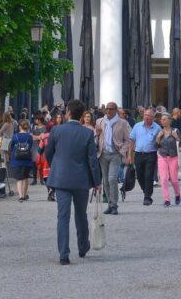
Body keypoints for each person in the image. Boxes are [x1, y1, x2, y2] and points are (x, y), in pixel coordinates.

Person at [44, 99, 101, 265]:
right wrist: (97, 181)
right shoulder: (87, 133)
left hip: (61, 178)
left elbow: (48, 152)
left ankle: (64, 253)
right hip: (81, 178)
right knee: (81, 214)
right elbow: (92, 159)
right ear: (82, 114)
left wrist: (56, 165)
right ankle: (83, 246)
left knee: (63, 216)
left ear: (68, 112)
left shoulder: (56, 130)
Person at [94, 101, 131, 215]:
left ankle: (114, 205)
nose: (109, 111)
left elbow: (128, 140)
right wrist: (97, 134)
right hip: (103, 154)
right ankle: (110, 204)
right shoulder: (99, 121)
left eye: (111, 109)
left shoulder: (122, 123)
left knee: (112, 178)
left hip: (115, 154)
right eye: (107, 109)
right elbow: (94, 139)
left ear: (116, 110)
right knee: (106, 180)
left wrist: (122, 151)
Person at [128, 107, 161, 206]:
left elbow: (160, 143)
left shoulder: (157, 128)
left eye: (149, 116)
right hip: (138, 154)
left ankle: (147, 197)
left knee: (148, 175)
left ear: (153, 118)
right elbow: (132, 140)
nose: (147, 118)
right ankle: (145, 190)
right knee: (140, 175)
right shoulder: (137, 126)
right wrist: (129, 154)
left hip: (151, 154)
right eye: (145, 115)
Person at [155, 113, 181, 207]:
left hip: (173, 157)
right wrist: (158, 137)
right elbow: (156, 146)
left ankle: (177, 195)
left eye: (164, 119)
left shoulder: (175, 131)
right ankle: (167, 199)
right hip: (162, 157)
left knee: (174, 180)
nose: (162, 121)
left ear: (169, 121)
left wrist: (176, 137)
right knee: (163, 179)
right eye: (162, 120)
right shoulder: (160, 132)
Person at [9, 120, 34, 201]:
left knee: (19, 179)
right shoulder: (29, 136)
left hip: (17, 160)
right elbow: (30, 146)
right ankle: (24, 194)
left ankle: (20, 196)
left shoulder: (15, 136)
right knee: (25, 178)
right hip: (26, 160)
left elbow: (11, 148)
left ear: (19, 126)